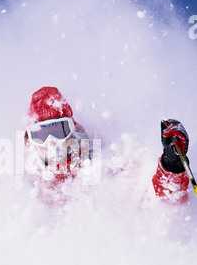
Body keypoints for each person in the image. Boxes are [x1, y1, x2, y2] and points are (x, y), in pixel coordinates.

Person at [25, 86, 190, 202]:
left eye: (59, 130)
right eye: (41, 135)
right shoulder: (27, 178)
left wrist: (172, 166)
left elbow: (161, 205)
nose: (52, 143)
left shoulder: (103, 164)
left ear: (72, 129)